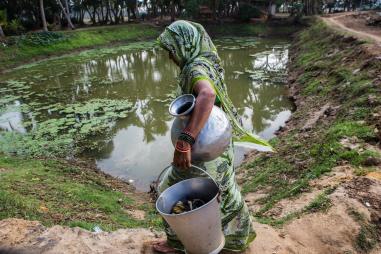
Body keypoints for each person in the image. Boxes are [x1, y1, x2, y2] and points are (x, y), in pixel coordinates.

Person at [153, 20, 271, 253]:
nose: (170, 57)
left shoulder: (195, 69)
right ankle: (234, 240)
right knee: (224, 192)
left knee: (171, 190)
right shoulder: (207, 61)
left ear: (183, 45)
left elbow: (207, 94)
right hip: (217, 141)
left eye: (172, 50)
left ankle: (177, 244)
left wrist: (185, 139)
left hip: (203, 147)